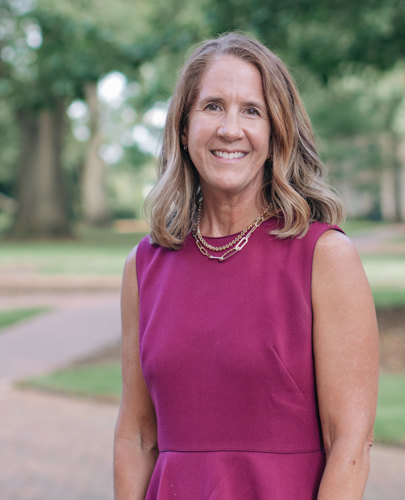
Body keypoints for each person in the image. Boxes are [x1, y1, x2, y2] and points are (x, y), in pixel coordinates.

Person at [113, 32, 379, 500]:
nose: (230, 129)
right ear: (183, 127)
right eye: (212, 106)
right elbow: (137, 435)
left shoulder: (324, 257)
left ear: (276, 133)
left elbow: (350, 444)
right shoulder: (144, 265)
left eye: (251, 111)